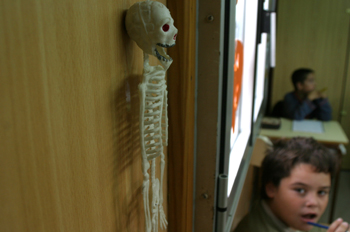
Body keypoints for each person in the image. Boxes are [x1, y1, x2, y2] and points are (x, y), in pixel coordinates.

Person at [234, 137, 348, 232]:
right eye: (300, 190)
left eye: (322, 192)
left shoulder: (288, 217)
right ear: (271, 188)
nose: (313, 202)